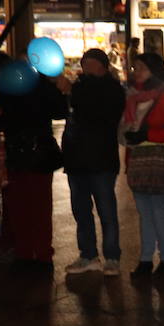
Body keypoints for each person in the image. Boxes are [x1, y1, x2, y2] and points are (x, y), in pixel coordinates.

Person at [0, 59, 68, 271]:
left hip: (35, 153)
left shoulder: (38, 88)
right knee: (22, 206)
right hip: (21, 154)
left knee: (35, 206)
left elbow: (60, 110)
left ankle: (39, 255)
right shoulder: (7, 91)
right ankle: (29, 254)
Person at [60, 49, 127, 275]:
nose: (87, 67)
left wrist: (72, 92)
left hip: (101, 160)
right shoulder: (78, 87)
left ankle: (112, 257)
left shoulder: (112, 89)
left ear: (103, 66)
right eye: (84, 63)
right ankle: (87, 254)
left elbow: (100, 115)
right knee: (81, 210)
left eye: (91, 63)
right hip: (76, 160)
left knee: (106, 211)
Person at [123, 52, 164, 279]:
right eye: (135, 68)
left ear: (154, 70)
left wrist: (147, 133)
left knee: (158, 210)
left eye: (142, 68)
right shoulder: (133, 96)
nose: (137, 72)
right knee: (144, 213)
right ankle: (145, 260)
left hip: (160, 160)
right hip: (138, 159)